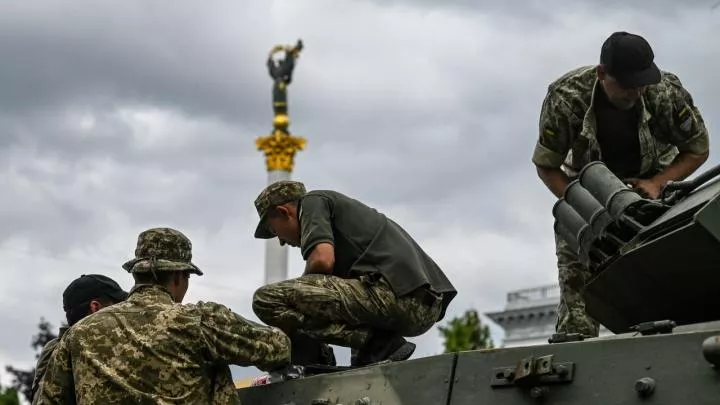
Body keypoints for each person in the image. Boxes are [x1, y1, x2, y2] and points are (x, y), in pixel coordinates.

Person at [531, 31, 710, 338]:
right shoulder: (566, 97)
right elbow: (546, 165)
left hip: (654, 197)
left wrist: (657, 182)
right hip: (589, 197)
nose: (637, 93)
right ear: (603, 74)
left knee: (669, 289)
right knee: (578, 307)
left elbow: (698, 148)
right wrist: (586, 206)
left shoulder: (664, 92)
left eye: (642, 84)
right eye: (628, 86)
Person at [36, 227, 291, 404]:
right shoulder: (200, 321)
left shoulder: (79, 334)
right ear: (180, 276)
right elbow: (277, 348)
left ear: (137, 274)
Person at [251, 180, 458, 367]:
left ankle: (376, 344)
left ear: (284, 211)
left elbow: (322, 259)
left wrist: (290, 315)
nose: (280, 241)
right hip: (417, 302)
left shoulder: (312, 203)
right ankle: (366, 350)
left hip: (398, 295)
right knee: (304, 310)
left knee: (268, 299)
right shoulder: (342, 224)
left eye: (273, 230)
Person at [31, 274, 128, 404]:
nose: (124, 312)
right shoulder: (99, 351)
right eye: (118, 306)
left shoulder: (53, 348)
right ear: (96, 308)